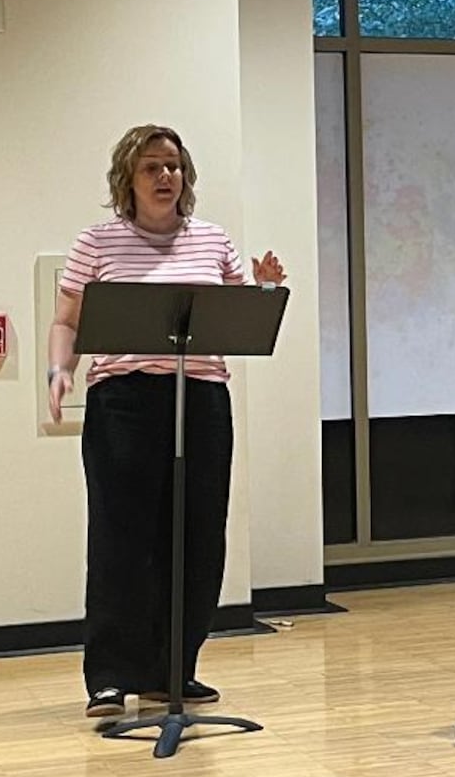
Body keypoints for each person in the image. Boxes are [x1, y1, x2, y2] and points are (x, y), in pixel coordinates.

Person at [47, 124, 285, 718]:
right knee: (121, 539)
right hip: (125, 401)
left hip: (201, 398)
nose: (165, 177)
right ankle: (109, 676)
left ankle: (172, 671)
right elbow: (67, 320)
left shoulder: (212, 240)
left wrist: (265, 288)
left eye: (174, 167)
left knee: (200, 537)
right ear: (128, 178)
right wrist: (59, 370)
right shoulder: (97, 241)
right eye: (152, 167)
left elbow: (237, 311)